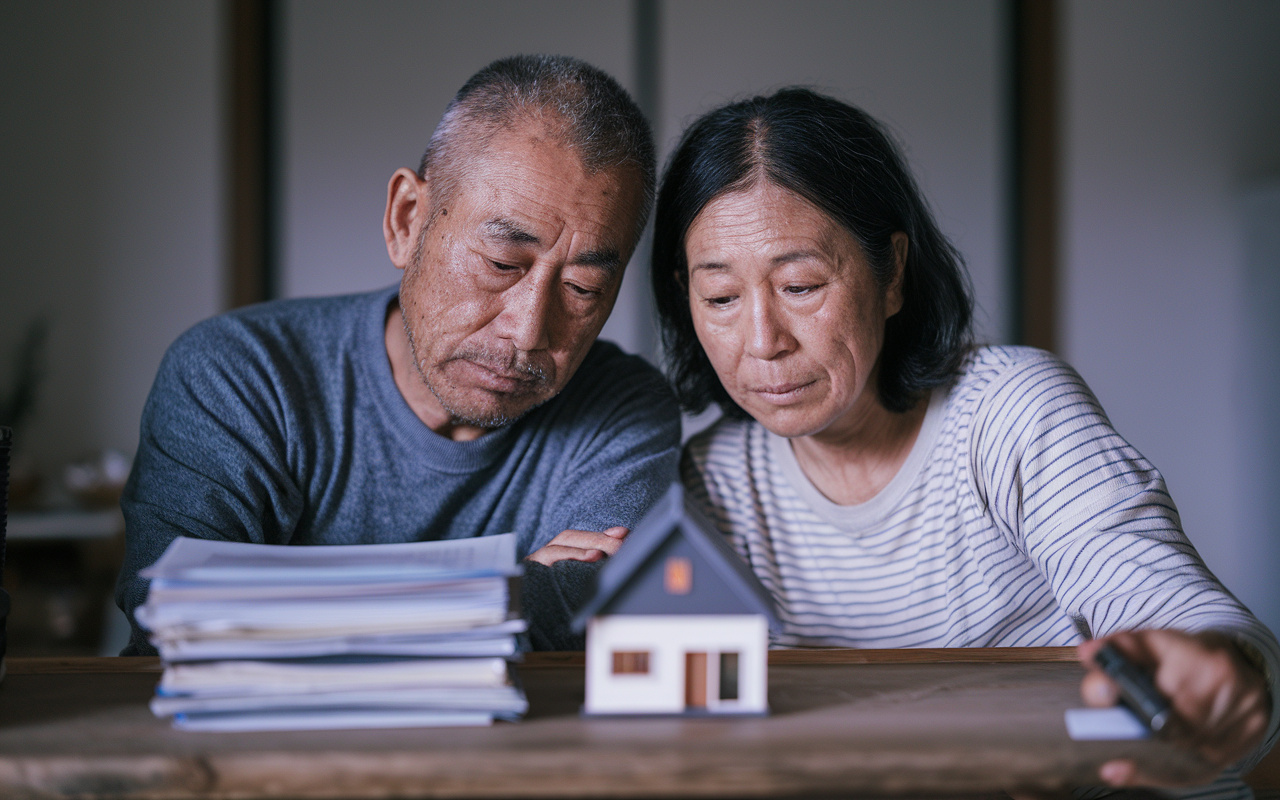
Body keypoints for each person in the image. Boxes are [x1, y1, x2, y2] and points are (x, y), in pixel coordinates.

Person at [651, 88, 1276, 794]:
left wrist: (1223, 673)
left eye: (799, 285)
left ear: (892, 273)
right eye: (721, 299)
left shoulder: (1008, 411)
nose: (763, 341)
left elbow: (1161, 598)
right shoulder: (713, 481)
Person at [116, 55, 681, 654]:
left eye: (582, 289)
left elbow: (613, 602)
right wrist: (502, 590)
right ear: (407, 220)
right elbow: (178, 617)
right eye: (500, 264)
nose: (527, 332)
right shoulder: (237, 374)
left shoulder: (622, 407)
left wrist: (277, 601)